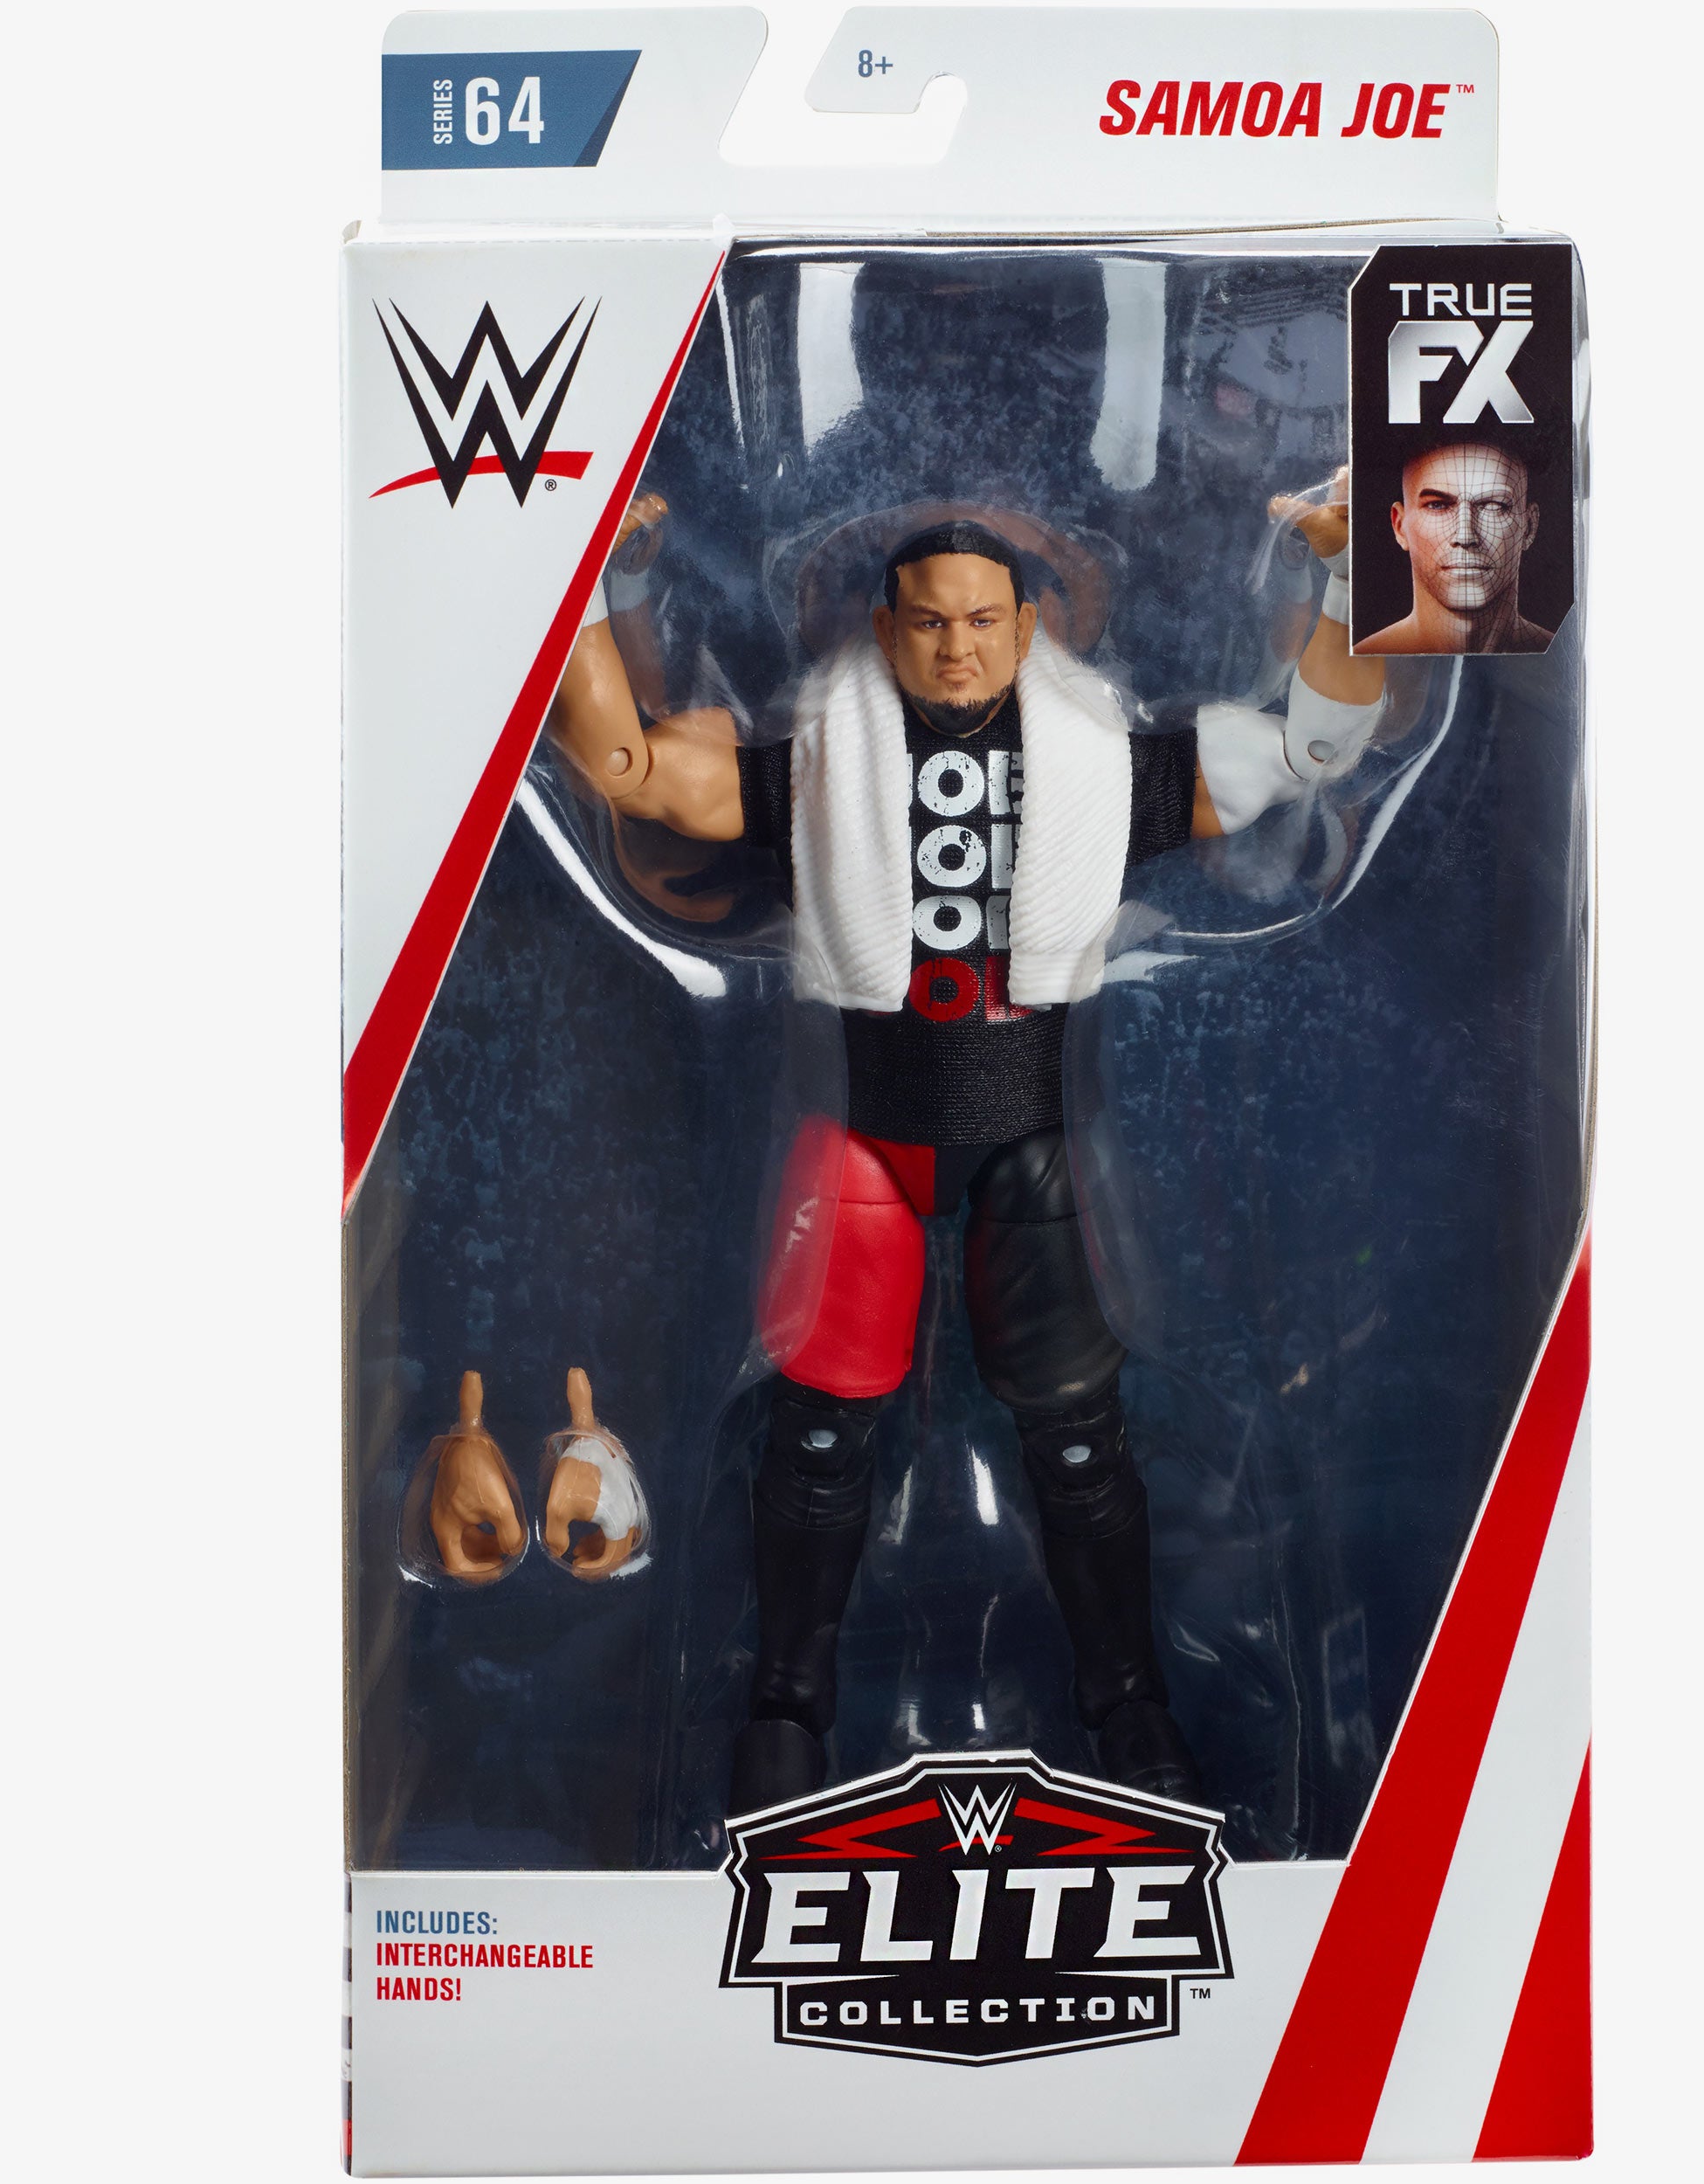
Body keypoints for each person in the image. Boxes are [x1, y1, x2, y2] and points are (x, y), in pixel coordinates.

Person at [541, 500, 1390, 1814]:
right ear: (887, 628)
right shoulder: (817, 764)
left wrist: (1347, 577)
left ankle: (1130, 1706)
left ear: (1028, 625)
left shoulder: (1103, 766)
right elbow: (626, 768)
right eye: (931, 622)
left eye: (983, 621)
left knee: (1080, 1444)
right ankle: (782, 1714)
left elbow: (1312, 746)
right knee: (818, 1439)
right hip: (864, 1133)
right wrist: (585, 586)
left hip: (1027, 1136)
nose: (957, 648)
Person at [1352, 438, 1553, 656]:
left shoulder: (1563, 656)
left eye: (1494, 506)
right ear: (1400, 527)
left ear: (1529, 527)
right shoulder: (1361, 661)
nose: (1465, 536)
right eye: (1437, 505)